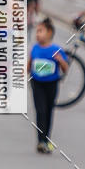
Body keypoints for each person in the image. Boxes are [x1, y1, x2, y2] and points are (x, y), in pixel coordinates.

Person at [28, 18, 67, 154]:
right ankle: (40, 141)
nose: (37, 34)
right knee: (40, 111)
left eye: (40, 31)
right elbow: (29, 65)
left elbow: (65, 69)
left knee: (49, 111)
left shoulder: (56, 49)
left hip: (51, 84)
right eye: (36, 31)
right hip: (37, 83)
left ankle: (46, 140)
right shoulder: (35, 49)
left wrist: (61, 61)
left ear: (49, 33)